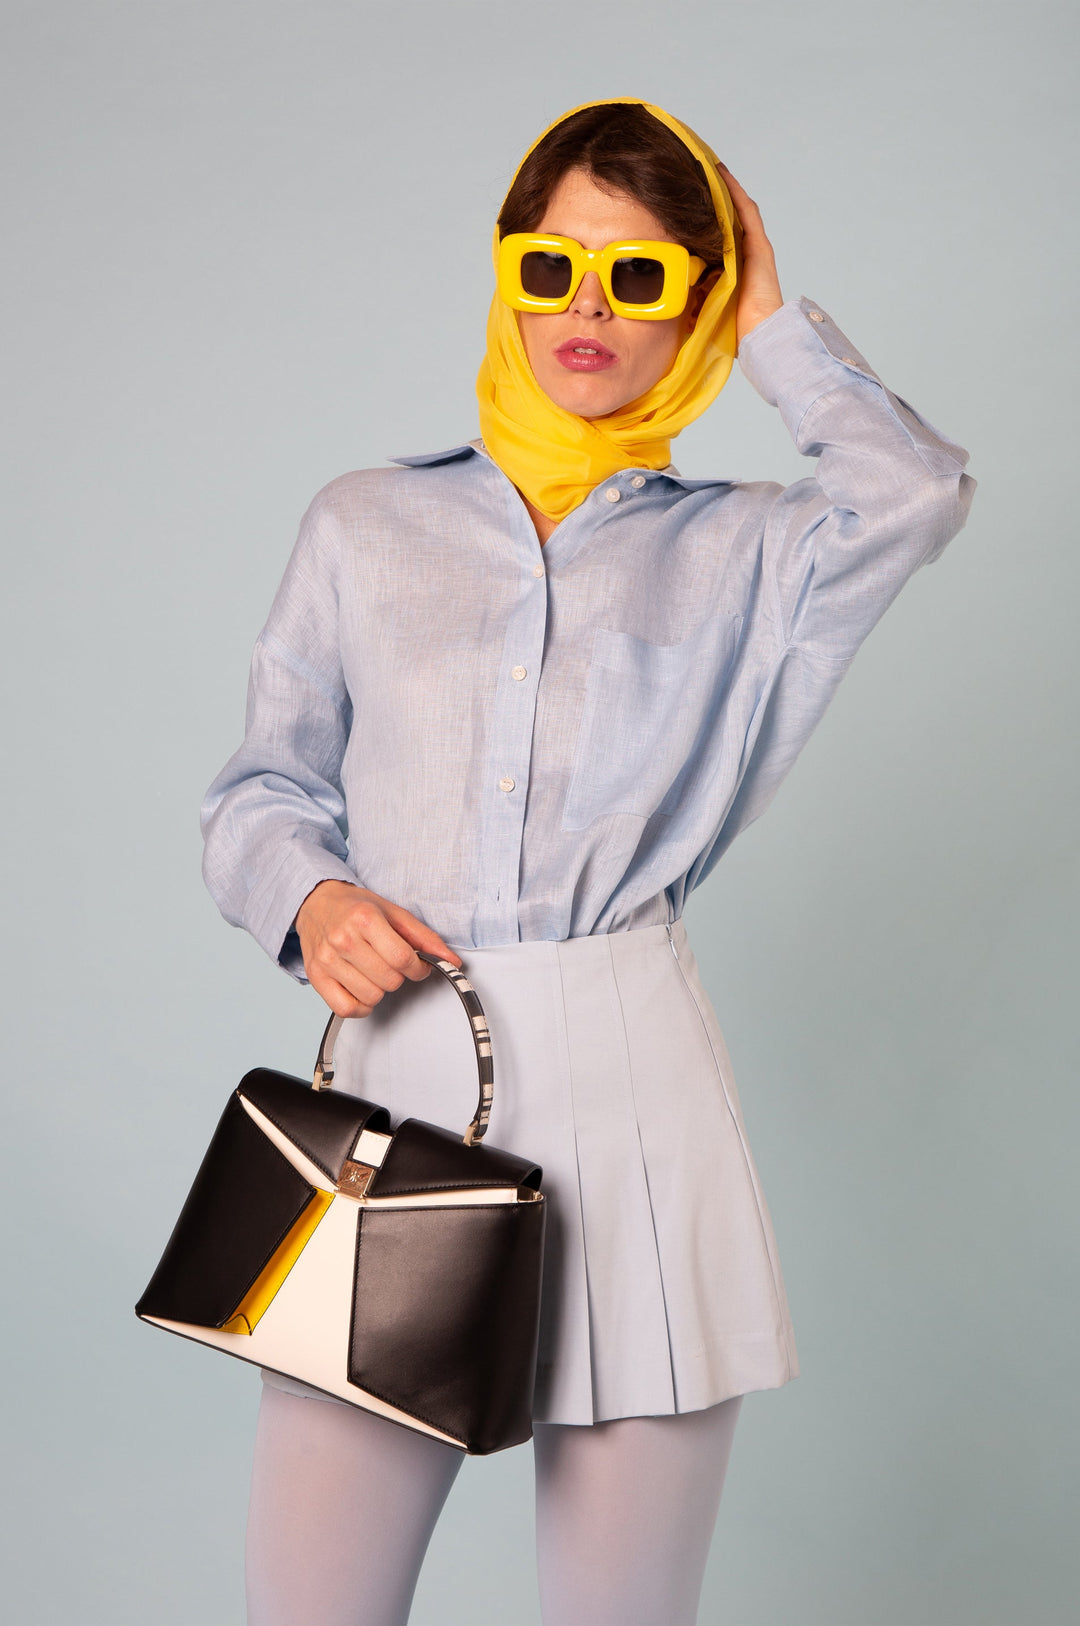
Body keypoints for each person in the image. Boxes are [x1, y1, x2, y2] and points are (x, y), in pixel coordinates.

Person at [201, 97, 975, 1626]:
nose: (588, 309)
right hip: (400, 1078)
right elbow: (259, 785)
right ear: (507, 270)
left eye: (641, 276)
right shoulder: (366, 525)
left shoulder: (753, 551)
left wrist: (767, 312)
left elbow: (919, 493)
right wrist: (312, 890)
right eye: (553, 265)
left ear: (692, 299)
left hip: (639, 1103)